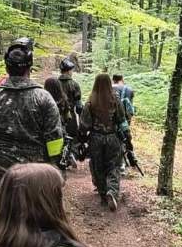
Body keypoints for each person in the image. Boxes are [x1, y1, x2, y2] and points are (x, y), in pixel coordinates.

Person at [0, 38, 64, 191]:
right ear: (29, 67)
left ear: (7, 67)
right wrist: (54, 163)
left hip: (3, 172)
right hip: (36, 172)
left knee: (5, 205)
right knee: (33, 205)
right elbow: (55, 136)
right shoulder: (43, 97)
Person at [79, 73, 129, 212]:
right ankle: (112, 191)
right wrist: (127, 136)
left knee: (98, 167)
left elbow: (84, 125)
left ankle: (103, 194)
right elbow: (122, 119)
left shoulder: (90, 101)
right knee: (114, 166)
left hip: (96, 138)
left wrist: (82, 139)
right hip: (112, 138)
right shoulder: (115, 99)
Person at [44, 75, 75, 170]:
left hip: (47, 129)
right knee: (60, 150)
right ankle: (65, 160)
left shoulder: (44, 100)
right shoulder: (63, 99)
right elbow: (68, 117)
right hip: (61, 128)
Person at [58, 56, 83, 143]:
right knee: (73, 143)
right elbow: (79, 106)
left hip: (56, 119)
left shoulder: (55, 83)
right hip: (70, 119)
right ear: (69, 71)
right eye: (72, 70)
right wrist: (81, 124)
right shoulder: (74, 84)